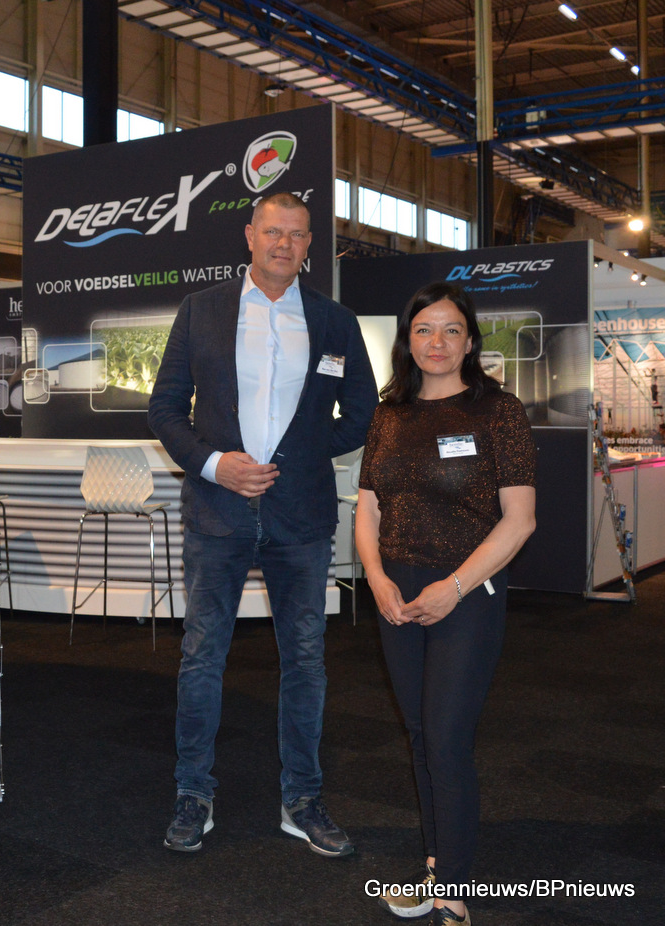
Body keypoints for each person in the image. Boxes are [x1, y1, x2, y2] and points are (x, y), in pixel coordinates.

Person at [147, 192, 378, 854]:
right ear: (250, 236)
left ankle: (301, 797)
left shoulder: (335, 322)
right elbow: (165, 408)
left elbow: (362, 412)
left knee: (305, 657)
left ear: (310, 245)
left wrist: (301, 456)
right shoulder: (201, 310)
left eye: (296, 234)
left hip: (300, 518)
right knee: (202, 655)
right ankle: (193, 792)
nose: (283, 243)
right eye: (272, 231)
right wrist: (215, 465)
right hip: (217, 512)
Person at [355, 282, 536, 925]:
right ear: (408, 340)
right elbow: (368, 508)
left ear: (470, 340)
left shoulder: (499, 411)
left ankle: (454, 891)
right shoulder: (389, 415)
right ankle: (437, 864)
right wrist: (376, 578)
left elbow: (519, 520)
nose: (437, 341)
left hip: (468, 592)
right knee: (420, 733)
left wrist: (453, 587)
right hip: (396, 592)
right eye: (424, 329)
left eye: (451, 329)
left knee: (448, 739)